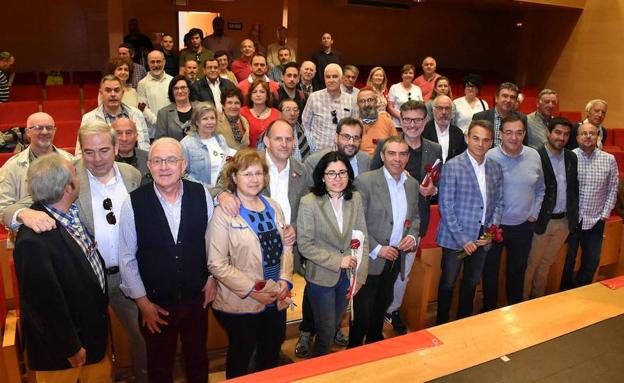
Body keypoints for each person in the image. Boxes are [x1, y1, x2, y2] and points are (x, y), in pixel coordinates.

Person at [119, 137, 216, 383]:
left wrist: (213, 278)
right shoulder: (133, 202)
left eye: (171, 160)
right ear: (149, 166)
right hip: (156, 306)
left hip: (197, 298)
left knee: (198, 359)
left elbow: (214, 242)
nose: (164, 167)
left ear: (183, 165)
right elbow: (127, 256)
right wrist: (142, 303)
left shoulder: (201, 193)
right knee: (159, 367)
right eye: (157, 161)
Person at [14, 153, 111, 383]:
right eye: (75, 174)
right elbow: (43, 305)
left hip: (91, 337)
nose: (80, 177)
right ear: (68, 187)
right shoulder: (33, 241)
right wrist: (70, 347)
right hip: (66, 355)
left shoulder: (70, 213)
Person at [207, 149, 293, 378]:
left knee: (272, 346)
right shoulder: (223, 214)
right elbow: (217, 264)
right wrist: (255, 290)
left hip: (276, 295)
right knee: (242, 353)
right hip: (241, 299)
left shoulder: (273, 206)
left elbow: (286, 245)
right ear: (234, 177)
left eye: (259, 173)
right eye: (247, 174)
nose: (254, 179)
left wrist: (285, 280)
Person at [296, 117, 368, 357]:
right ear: (322, 176)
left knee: (336, 323)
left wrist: (361, 276)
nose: (338, 178)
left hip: (347, 278)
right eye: (331, 173)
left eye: (342, 173)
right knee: (326, 333)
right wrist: (339, 261)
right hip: (321, 278)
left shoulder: (354, 199)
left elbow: (362, 237)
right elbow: (305, 245)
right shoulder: (309, 203)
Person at [370, 101, 442, 333]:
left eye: (418, 120)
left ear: (425, 121)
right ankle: (372, 314)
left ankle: (392, 311)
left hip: (414, 223)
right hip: (382, 224)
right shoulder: (386, 145)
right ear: (400, 119)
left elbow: (437, 183)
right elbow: (371, 182)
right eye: (408, 119)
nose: (412, 124)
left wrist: (433, 192)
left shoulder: (434, 148)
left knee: (404, 274)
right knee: (378, 272)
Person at [349, 136, 420, 347]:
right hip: (370, 259)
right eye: (391, 153)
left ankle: (375, 344)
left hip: (395, 258)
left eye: (402, 154)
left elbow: (415, 217)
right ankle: (353, 349)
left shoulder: (412, 184)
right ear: (382, 156)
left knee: (382, 304)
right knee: (362, 311)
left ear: (407, 157)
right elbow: (356, 222)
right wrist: (378, 249)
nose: (397, 159)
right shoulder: (365, 182)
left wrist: (411, 236)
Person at [435, 120, 503, 324]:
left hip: (483, 237)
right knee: (448, 282)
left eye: (485, 140)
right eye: (476, 138)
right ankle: (442, 323)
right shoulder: (453, 166)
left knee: (471, 282)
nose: (480, 144)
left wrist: (490, 232)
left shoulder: (495, 167)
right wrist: (463, 239)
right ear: (466, 138)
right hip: (456, 238)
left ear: (491, 143)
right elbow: (446, 206)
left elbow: (499, 202)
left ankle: (463, 321)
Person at [481, 114, 545, 311]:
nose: (514, 138)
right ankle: (489, 310)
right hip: (494, 226)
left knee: (517, 271)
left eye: (519, 133)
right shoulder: (489, 156)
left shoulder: (534, 155)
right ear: (500, 134)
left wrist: (534, 212)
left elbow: (541, 187)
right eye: (509, 133)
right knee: (490, 273)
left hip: (523, 225)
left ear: (524, 134)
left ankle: (515, 311)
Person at [524, 117, 578, 299]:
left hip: (563, 222)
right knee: (531, 264)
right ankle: (522, 304)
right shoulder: (535, 155)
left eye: (566, 134)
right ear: (548, 132)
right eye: (558, 132)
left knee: (547, 263)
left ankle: (537, 301)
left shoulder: (571, 157)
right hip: (542, 221)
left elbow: (573, 189)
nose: (561, 138)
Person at [561, 123, 618, 289]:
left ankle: (582, 290)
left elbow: (613, 188)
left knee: (591, 260)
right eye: (583, 133)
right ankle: (564, 292)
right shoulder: (569, 157)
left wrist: (604, 214)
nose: (587, 136)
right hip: (572, 219)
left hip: (595, 219)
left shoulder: (609, 159)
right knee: (568, 260)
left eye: (591, 133)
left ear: (598, 136)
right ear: (577, 137)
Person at [0, 112, 74, 230]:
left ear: (55, 131)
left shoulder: (70, 160)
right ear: (27, 132)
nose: (44, 132)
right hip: (28, 234)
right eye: (38, 128)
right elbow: (2, 209)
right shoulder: (11, 167)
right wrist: (23, 216)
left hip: (67, 230)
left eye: (49, 128)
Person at [79, 74, 150, 153]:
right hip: (102, 164)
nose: (113, 94)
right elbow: (80, 151)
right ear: (101, 93)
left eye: (116, 90)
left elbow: (145, 145)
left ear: (122, 93)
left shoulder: (137, 114)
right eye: (108, 90)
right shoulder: (89, 119)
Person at [302, 63, 356, 152]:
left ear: (342, 79)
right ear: (324, 79)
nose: (331, 80)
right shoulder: (314, 97)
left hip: (341, 153)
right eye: (328, 77)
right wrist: (312, 146)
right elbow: (305, 125)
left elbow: (353, 127)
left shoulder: (351, 100)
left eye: (335, 76)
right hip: (317, 153)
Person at [181, 102, 235, 187]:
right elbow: (182, 173)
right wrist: (205, 189)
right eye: (205, 119)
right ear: (197, 122)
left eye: (212, 118)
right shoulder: (186, 144)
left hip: (222, 190)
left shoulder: (220, 138)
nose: (210, 122)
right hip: (200, 192)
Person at [472, 82, 528, 147]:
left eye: (512, 97)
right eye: (505, 96)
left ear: (516, 101)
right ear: (496, 98)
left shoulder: (522, 118)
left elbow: (524, 144)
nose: (508, 100)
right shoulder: (480, 117)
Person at [137, 50, 173, 139]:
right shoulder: (142, 84)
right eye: (152, 62)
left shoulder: (172, 81)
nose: (156, 65)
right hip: (153, 133)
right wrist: (159, 123)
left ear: (164, 62)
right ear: (148, 63)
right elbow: (143, 108)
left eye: (159, 61)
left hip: (172, 130)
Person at [422, 95, 466, 162]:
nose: (444, 112)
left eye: (447, 108)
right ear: (433, 110)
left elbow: (462, 157)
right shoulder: (424, 131)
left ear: (451, 111)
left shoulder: (458, 133)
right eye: (440, 108)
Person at [239, 78, 280, 147]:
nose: (258, 95)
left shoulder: (277, 114)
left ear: (267, 95)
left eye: (262, 92)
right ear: (250, 96)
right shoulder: (242, 112)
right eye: (254, 92)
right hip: (248, 155)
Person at [357, 86, 398, 155]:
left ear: (376, 102)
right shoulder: (354, 124)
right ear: (358, 105)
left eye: (370, 100)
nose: (366, 104)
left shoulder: (387, 121)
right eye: (362, 101)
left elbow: (396, 146)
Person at [155, 75, 197, 141]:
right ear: (172, 92)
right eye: (176, 88)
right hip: (173, 150)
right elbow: (160, 140)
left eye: (183, 87)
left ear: (189, 90)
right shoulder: (163, 113)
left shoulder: (200, 108)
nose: (180, 91)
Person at [113, 117, 150, 182]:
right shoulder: (106, 162)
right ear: (112, 137)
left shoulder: (149, 159)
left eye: (129, 133)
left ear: (137, 137)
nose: (124, 139)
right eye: (119, 133)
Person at [387, 64, 423, 128]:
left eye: (410, 73)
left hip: (414, 125)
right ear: (402, 75)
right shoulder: (394, 87)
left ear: (413, 75)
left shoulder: (418, 89)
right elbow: (390, 107)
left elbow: (421, 106)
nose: (408, 75)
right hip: (397, 124)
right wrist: (401, 118)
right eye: (405, 73)